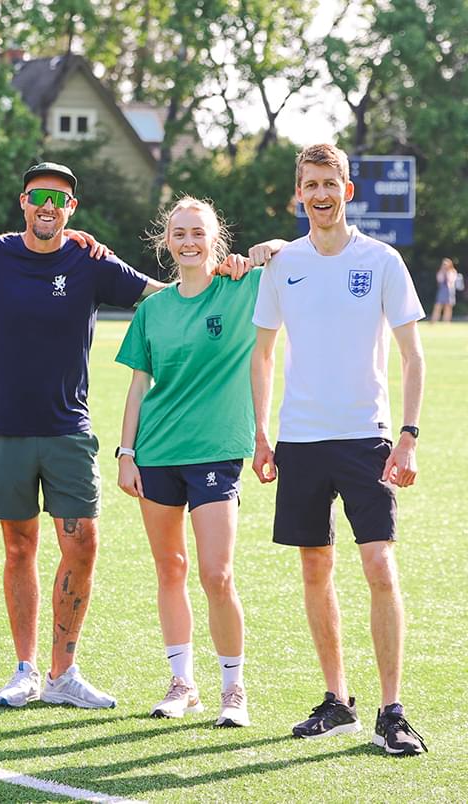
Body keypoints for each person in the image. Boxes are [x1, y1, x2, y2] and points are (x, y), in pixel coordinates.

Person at [0, 163, 195, 709]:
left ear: (71, 208)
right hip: (2, 430)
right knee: (18, 547)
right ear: (23, 203)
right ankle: (26, 669)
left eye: (59, 198)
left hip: (68, 432)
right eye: (38, 197)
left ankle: (63, 671)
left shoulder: (89, 260)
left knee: (82, 544)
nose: (47, 206)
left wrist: (224, 273)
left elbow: (162, 295)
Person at [251, 143, 428, 756]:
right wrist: (261, 433)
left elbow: (412, 356)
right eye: (310, 184)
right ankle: (338, 702)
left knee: (379, 565)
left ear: (347, 190)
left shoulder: (381, 261)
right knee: (314, 568)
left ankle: (391, 710)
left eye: (331, 183)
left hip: (366, 439)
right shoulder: (282, 263)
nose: (320, 194)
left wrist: (407, 436)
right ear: (298, 193)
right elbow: (263, 353)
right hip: (299, 440)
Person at [115, 197, 277, 726]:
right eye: (179, 233)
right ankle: (183, 683)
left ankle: (235, 689)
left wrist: (264, 250)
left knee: (217, 573)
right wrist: (126, 453)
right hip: (157, 452)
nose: (189, 241)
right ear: (167, 243)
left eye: (198, 233)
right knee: (171, 569)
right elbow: (139, 388)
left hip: (218, 451)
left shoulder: (241, 288)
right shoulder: (152, 311)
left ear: (216, 240)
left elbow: (293, 255)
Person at [430, 257, 460, 322]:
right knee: (438, 306)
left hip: (449, 290)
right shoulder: (440, 271)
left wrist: (447, 272)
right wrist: (443, 271)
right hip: (442, 290)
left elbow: (451, 280)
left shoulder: (452, 271)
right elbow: (439, 279)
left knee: (448, 307)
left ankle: (446, 321)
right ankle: (434, 320)